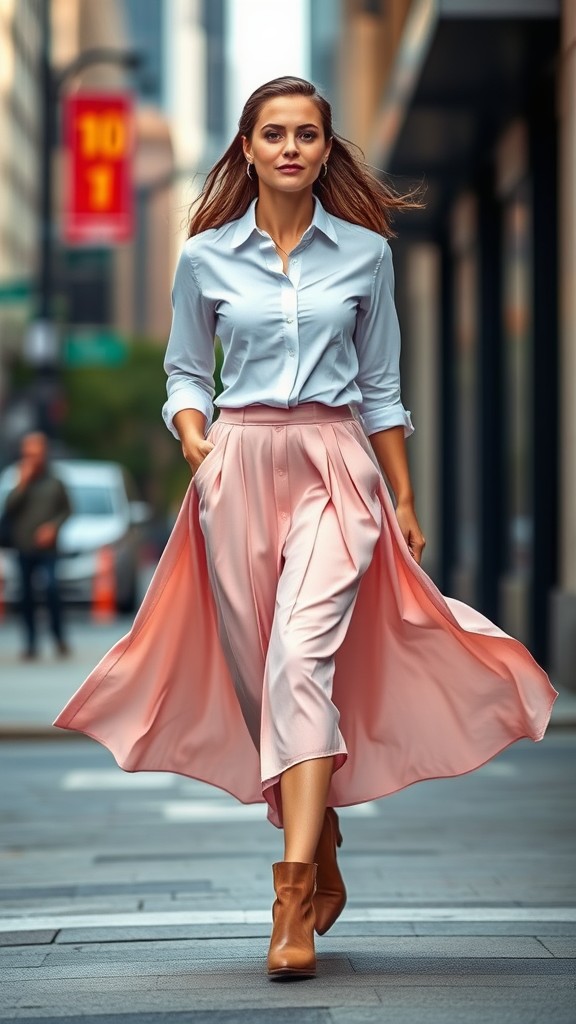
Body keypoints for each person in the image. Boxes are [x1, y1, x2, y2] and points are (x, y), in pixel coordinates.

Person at [53, 77, 558, 980]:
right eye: (274, 134)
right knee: (261, 685)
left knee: (300, 659)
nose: (292, 148)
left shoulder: (366, 256)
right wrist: (198, 441)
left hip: (334, 464)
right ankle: (318, 834)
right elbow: (182, 371)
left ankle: (288, 895)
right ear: (247, 147)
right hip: (237, 469)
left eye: (309, 135)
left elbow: (382, 390)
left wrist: (403, 498)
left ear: (328, 150)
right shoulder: (206, 256)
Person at [4, 432, 71, 659]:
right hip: (24, 547)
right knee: (26, 596)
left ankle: (59, 637)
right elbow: (9, 509)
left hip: (48, 549)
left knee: (51, 588)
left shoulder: (55, 481)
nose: (32, 458)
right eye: (28, 454)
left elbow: (67, 509)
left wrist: (53, 527)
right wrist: (22, 484)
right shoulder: (19, 479)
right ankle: (31, 643)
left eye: (36, 453)